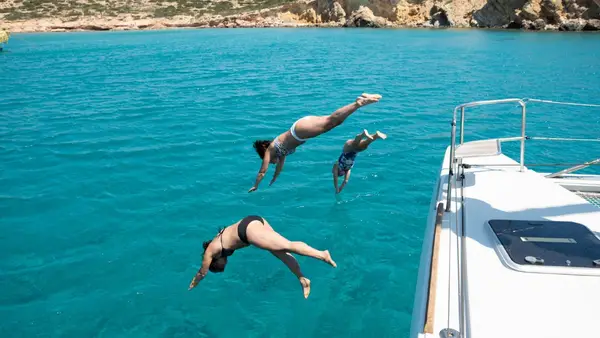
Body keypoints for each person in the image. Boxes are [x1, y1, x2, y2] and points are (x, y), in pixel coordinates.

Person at [249, 93, 382, 192]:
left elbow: (262, 171)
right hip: (301, 130)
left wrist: (256, 185)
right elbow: (280, 168)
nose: (272, 163)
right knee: (333, 122)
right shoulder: (281, 152)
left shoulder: (270, 150)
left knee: (331, 122)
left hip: (300, 131)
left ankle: (359, 103)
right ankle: (358, 102)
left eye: (269, 161)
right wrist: (274, 179)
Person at [188, 215, 337, 298]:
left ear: (215, 261)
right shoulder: (215, 242)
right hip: (252, 222)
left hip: (248, 231)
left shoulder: (211, 251)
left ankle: (322, 255)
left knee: (287, 245)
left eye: (222, 265)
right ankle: (302, 279)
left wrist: (194, 282)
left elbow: (202, 271)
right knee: (281, 254)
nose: (225, 263)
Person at [332, 129, 387, 194]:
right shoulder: (344, 168)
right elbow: (341, 180)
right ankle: (376, 135)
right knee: (364, 145)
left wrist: (338, 189)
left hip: (347, 150)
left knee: (356, 144)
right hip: (353, 151)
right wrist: (338, 189)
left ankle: (363, 135)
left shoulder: (341, 166)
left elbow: (343, 180)